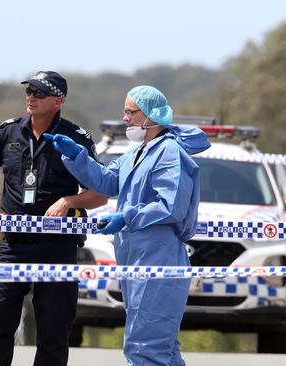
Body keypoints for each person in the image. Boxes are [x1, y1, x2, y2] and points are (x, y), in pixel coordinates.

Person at [44, 85, 210, 365]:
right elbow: (108, 182)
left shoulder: (169, 152)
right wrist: (77, 157)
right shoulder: (137, 153)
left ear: (151, 116)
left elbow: (170, 206)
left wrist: (127, 217)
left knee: (145, 349)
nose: (125, 118)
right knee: (161, 350)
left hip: (159, 261)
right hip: (137, 262)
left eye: (130, 112)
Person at [0, 70, 108, 366]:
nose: (30, 97)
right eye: (28, 91)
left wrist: (69, 201)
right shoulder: (9, 131)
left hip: (58, 247)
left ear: (58, 100)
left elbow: (100, 193)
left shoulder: (76, 137)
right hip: (13, 245)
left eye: (39, 93)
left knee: (54, 334)